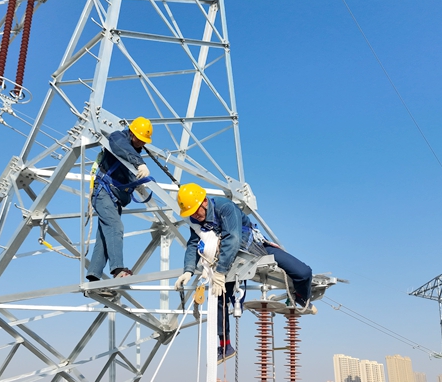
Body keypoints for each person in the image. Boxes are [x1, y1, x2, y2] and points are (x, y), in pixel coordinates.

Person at [174, 183, 314, 364]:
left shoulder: (225, 208)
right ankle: (225, 346)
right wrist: (188, 271)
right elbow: (193, 244)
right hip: (231, 259)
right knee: (219, 297)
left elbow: (232, 239)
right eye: (191, 213)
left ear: (205, 202)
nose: (194, 216)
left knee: (304, 272)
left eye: (195, 211)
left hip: (256, 248)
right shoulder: (196, 222)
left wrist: (220, 272)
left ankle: (301, 297)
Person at [86, 117, 153, 283]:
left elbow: (127, 172)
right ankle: (117, 270)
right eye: (140, 139)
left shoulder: (133, 153)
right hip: (104, 192)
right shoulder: (118, 138)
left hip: (115, 199)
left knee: (105, 235)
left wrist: (138, 183)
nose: (141, 143)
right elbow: (119, 145)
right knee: (115, 227)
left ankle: (93, 276)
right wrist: (139, 163)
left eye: (144, 141)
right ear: (132, 133)